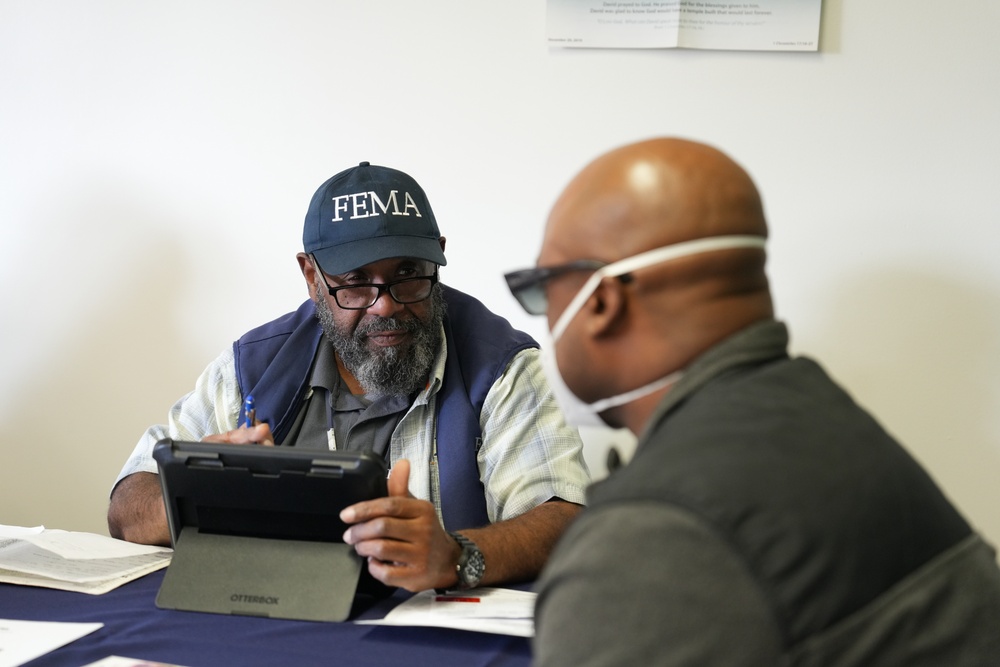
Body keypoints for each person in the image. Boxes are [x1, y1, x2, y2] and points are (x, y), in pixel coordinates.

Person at [505, 138, 1000, 665]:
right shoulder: (826, 421)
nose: (546, 318)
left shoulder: (652, 540)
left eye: (542, 289)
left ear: (601, 302)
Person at [109, 161, 590, 593]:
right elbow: (127, 504)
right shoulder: (252, 366)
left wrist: (456, 556)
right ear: (311, 276)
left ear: (439, 258)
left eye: (408, 274)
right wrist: (200, 490)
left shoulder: (500, 366)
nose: (387, 305)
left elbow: (563, 521)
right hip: (276, 618)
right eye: (357, 282)